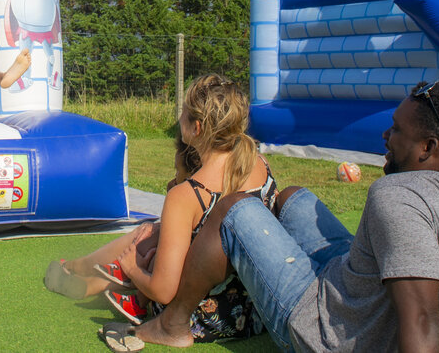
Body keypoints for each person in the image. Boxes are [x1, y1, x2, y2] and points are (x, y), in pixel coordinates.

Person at [100, 80, 439, 353]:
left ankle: (173, 325)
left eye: (396, 131)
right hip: (347, 285)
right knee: (293, 196)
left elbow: (421, 320)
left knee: (233, 208)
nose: (385, 137)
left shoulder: (399, 196)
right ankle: (247, 267)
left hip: (324, 331)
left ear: (428, 148)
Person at [46, 74, 276, 342]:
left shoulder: (190, 194)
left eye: (183, 113)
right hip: (253, 314)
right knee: (158, 232)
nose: (179, 120)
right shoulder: (259, 164)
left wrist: (132, 267)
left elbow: (164, 291)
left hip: (200, 317)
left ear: (197, 128)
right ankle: (87, 278)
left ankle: (82, 270)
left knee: (145, 243)